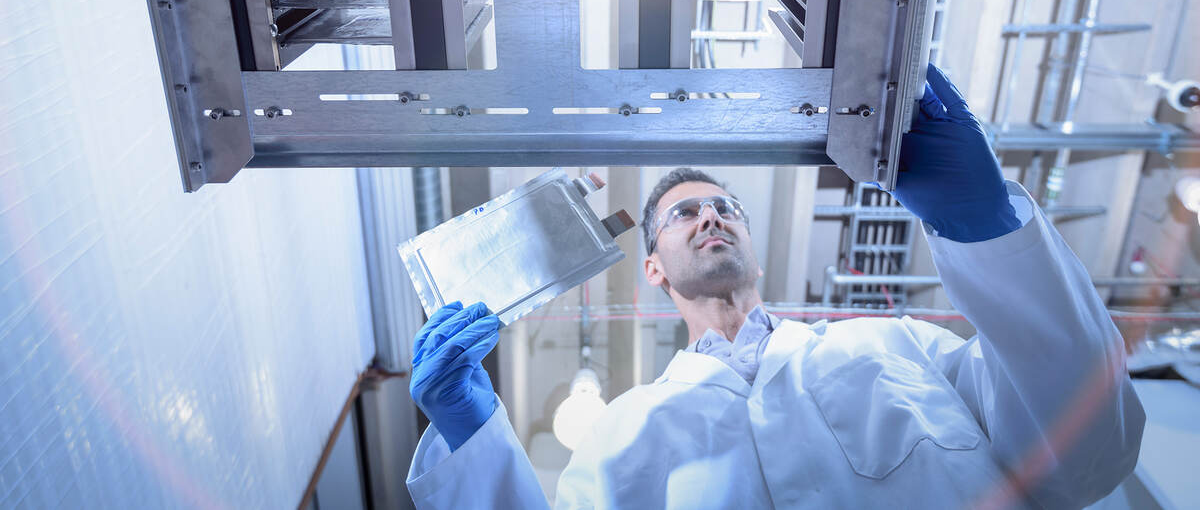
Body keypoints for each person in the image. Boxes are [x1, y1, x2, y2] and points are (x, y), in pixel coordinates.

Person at [404, 66, 1144, 509]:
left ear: (752, 248)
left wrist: (988, 230)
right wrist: (476, 443)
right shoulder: (622, 433)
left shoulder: (897, 346)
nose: (710, 217)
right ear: (652, 266)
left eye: (725, 207)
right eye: (683, 213)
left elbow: (1088, 456)